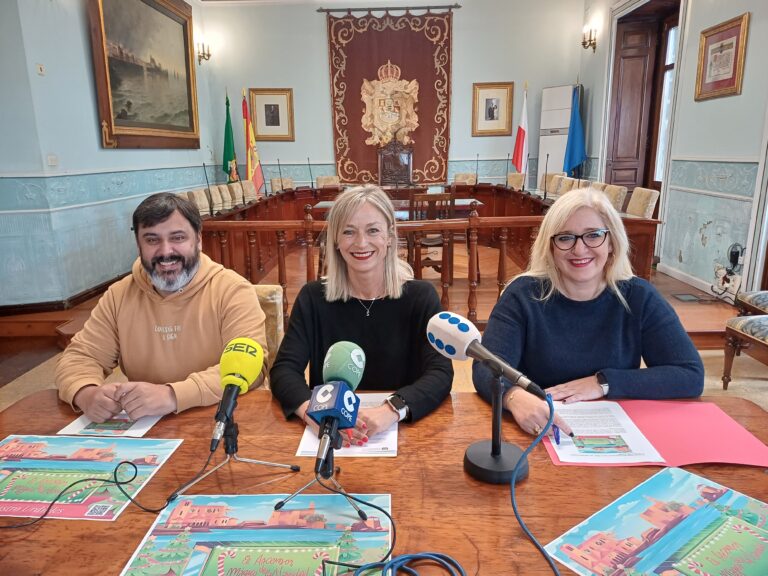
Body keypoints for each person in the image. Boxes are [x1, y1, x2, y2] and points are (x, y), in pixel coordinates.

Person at [472, 187, 704, 437]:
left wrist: (603, 383)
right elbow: (486, 367)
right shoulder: (522, 295)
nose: (580, 250)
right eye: (565, 238)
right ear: (550, 247)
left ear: (612, 242)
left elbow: (689, 375)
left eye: (593, 235)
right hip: (541, 432)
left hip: (617, 435)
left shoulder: (639, 297)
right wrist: (514, 397)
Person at [55, 192, 267, 423]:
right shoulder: (119, 295)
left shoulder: (232, 290)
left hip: (221, 418)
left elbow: (251, 370)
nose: (166, 252)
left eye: (177, 238)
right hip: (146, 424)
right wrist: (86, 393)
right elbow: (80, 357)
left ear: (198, 239)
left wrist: (172, 395)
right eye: (152, 240)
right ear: (139, 244)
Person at [270, 185, 453, 445]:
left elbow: (440, 372)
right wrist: (310, 411)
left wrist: (392, 409)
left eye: (373, 230)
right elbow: (284, 370)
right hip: (331, 433)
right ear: (335, 240)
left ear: (390, 236)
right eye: (348, 231)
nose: (361, 243)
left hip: (402, 433)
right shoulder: (313, 298)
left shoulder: (421, 298)